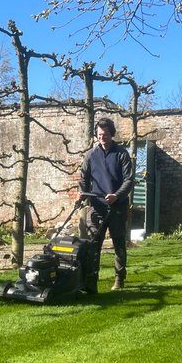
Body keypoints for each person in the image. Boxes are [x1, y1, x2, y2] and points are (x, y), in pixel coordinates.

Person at [78, 116, 133, 291]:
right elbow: (83, 178)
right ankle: (91, 282)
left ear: (112, 134)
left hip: (117, 207)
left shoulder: (121, 154)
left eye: (106, 134)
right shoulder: (91, 155)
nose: (102, 137)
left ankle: (119, 279)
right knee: (93, 246)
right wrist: (81, 194)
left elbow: (129, 180)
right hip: (97, 207)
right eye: (99, 134)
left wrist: (117, 195)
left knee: (118, 244)